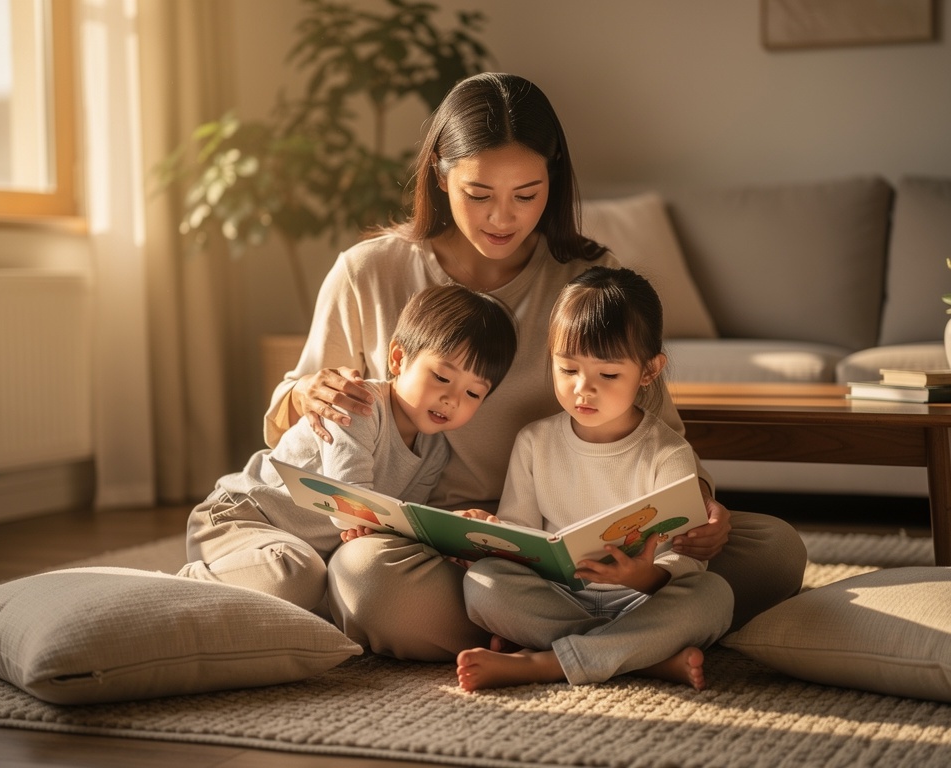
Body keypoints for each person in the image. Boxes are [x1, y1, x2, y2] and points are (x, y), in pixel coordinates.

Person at [264, 72, 805, 660]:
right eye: (479, 194)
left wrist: (703, 512)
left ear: (555, 180)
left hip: (590, 539)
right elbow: (295, 427)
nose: (503, 218)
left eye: (527, 194)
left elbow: (657, 432)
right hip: (445, 546)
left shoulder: (584, 277)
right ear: (441, 175)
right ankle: (642, 641)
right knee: (369, 579)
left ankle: (559, 639)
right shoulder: (367, 272)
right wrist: (306, 394)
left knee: (774, 551)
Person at [456, 266, 733, 692]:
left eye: (607, 375)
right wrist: (493, 535)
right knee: (482, 585)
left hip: (642, 600)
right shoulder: (534, 442)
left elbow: (689, 560)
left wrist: (639, 577)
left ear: (649, 371)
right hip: (558, 596)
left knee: (714, 597)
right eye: (567, 370)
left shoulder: (668, 453)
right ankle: (641, 658)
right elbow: (524, 536)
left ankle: (543, 664)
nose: (583, 389)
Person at [178, 284, 517, 614]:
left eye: (473, 394)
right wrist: (412, 530)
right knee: (299, 574)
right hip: (239, 519)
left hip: (299, 549)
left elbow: (400, 525)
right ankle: (188, 584)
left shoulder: (435, 452)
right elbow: (348, 506)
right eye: (442, 377)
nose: (452, 399)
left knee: (323, 580)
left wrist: (452, 532)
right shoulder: (357, 403)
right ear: (398, 359)